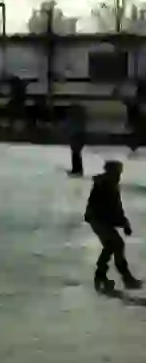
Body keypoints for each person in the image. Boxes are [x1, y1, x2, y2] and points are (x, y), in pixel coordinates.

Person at [86, 161, 142, 292]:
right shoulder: (105, 185)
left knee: (112, 245)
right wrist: (122, 223)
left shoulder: (110, 184)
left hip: (100, 220)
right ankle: (124, 278)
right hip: (98, 220)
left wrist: (124, 223)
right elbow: (109, 208)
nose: (119, 175)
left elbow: (116, 208)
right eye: (117, 172)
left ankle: (102, 276)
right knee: (116, 244)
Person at [67, 104, 88, 176]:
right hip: (77, 135)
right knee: (75, 153)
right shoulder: (80, 119)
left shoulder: (77, 119)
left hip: (77, 135)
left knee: (76, 153)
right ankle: (76, 169)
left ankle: (77, 170)